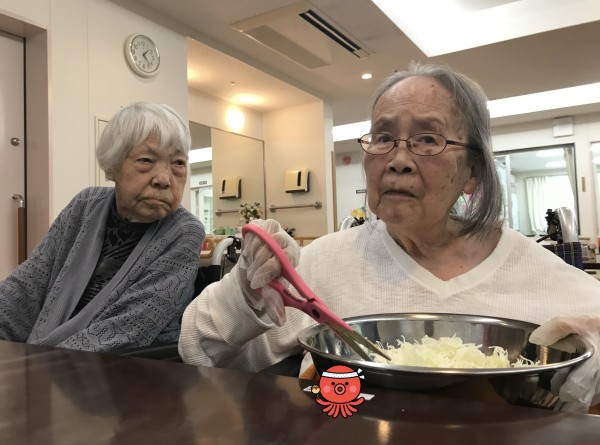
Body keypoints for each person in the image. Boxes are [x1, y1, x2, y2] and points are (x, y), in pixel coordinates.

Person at [178, 62, 600, 413]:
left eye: (428, 139)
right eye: (382, 138)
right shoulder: (324, 262)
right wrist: (247, 289)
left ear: (472, 172)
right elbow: (199, 348)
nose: (398, 160)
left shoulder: (542, 274)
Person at [0, 102, 204, 352]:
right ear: (112, 167)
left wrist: (35, 363)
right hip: (47, 358)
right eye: (146, 160)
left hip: (126, 367)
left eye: (178, 163)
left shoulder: (185, 231)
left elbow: (128, 328)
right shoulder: (85, 205)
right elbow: (26, 288)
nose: (163, 179)